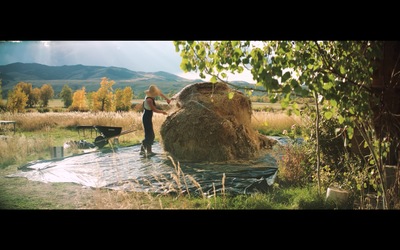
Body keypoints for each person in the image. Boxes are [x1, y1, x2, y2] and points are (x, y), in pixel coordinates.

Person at [140, 84, 171, 156]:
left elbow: (160, 94)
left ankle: (148, 151)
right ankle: (143, 149)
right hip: (146, 117)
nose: (156, 95)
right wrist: (162, 112)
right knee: (149, 135)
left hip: (148, 116)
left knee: (150, 134)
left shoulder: (150, 96)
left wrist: (167, 99)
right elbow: (154, 109)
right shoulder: (149, 100)